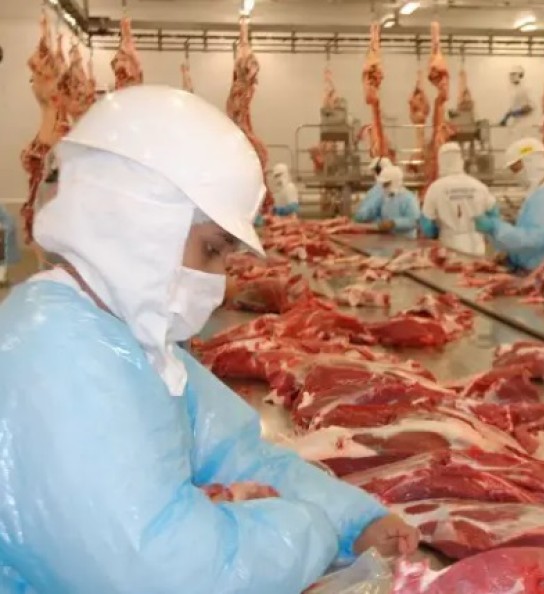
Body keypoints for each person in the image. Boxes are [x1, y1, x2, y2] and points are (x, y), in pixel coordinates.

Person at [0, 86, 418, 594]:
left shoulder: (130, 336)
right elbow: (168, 574)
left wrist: (354, 520)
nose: (219, 279)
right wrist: (314, 529)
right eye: (212, 250)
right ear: (142, 222)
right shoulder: (58, 353)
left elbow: (236, 451)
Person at [474, 138, 544, 271]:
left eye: (516, 168)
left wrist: (495, 227)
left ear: (530, 162)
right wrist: (510, 254)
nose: (515, 174)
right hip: (536, 269)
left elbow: (533, 240)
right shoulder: (539, 192)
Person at [420, 142, 497, 255]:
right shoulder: (478, 185)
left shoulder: (435, 188)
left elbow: (427, 226)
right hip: (477, 245)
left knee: (455, 266)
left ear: (440, 161)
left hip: (449, 245)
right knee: (476, 266)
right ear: (461, 160)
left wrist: (435, 233)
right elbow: (494, 215)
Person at [354, 164, 420, 238]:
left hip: (406, 240)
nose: (384, 186)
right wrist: (376, 223)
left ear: (395, 181)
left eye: (386, 184)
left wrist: (394, 223)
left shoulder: (409, 198)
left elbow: (414, 221)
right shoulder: (386, 197)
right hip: (388, 239)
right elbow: (381, 217)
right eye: (383, 184)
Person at [500, 65, 534, 131]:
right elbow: (514, 107)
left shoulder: (526, 88)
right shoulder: (512, 88)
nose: (511, 77)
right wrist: (505, 118)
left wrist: (515, 112)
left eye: (513, 74)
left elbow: (531, 107)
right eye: (510, 74)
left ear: (520, 75)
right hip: (515, 123)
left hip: (525, 123)